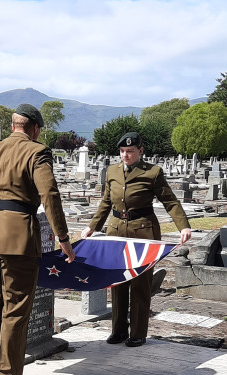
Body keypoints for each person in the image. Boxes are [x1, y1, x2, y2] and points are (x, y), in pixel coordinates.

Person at [0, 104, 75, 375]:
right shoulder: (37, 151)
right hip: (18, 236)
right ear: (35, 129)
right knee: (15, 311)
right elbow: (49, 195)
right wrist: (63, 238)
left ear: (12, 126)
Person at [81, 131, 191, 347]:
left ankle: (138, 332)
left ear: (140, 151)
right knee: (118, 281)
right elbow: (106, 202)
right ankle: (119, 330)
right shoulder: (112, 171)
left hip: (143, 232)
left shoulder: (153, 172)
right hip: (116, 232)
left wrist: (184, 226)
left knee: (140, 284)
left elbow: (170, 201)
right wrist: (92, 227)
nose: (125, 155)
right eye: (122, 151)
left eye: (130, 151)